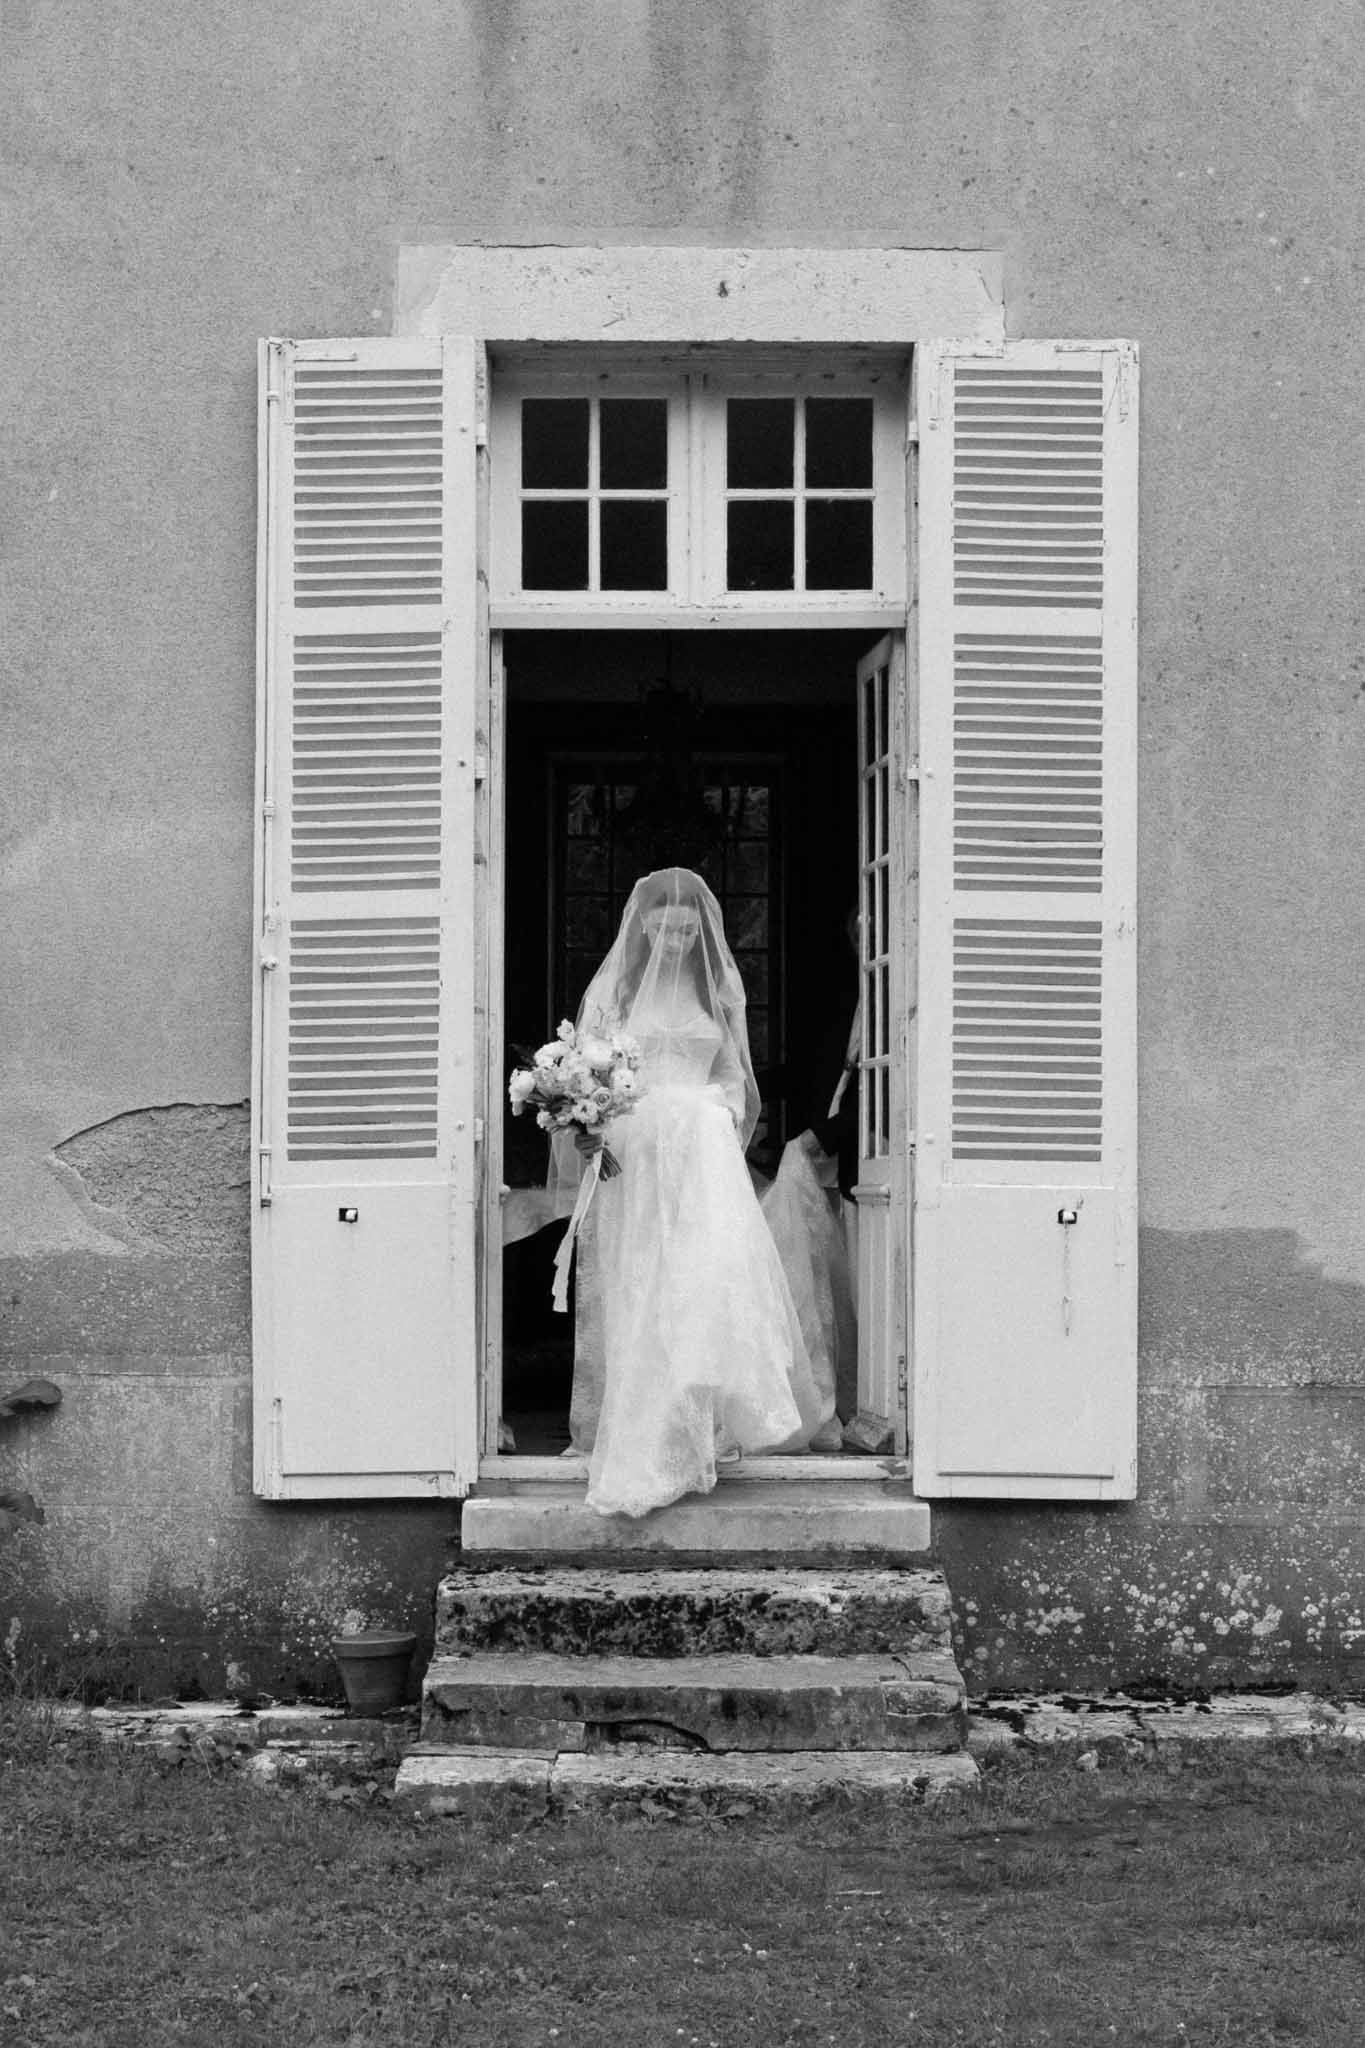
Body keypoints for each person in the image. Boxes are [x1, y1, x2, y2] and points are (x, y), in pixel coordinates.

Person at [554, 867, 834, 1517]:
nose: (675, 939)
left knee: (705, 1281)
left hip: (702, 1154)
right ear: (644, 928)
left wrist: (723, 1121)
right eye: (663, 927)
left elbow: (735, 1074)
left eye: (687, 929)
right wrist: (594, 1131)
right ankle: (631, 1422)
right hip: (637, 1149)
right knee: (638, 1278)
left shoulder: (717, 993)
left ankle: (700, 1426)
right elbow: (587, 1073)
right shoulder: (616, 994)